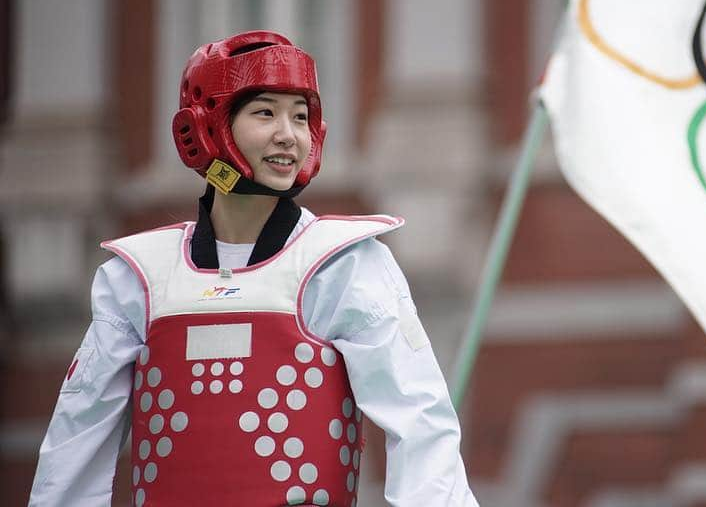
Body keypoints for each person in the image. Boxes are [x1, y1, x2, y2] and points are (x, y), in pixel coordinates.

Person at [28, 31, 478, 506]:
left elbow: (421, 423)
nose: (289, 134)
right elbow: (76, 440)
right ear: (206, 126)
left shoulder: (343, 264)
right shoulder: (136, 278)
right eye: (265, 112)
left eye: (300, 117)